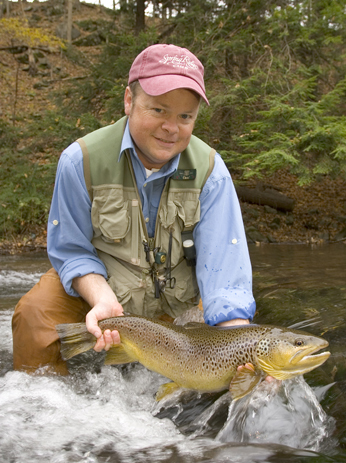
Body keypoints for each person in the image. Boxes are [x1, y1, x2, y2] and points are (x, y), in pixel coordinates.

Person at [12, 43, 256, 374]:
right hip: (100, 290)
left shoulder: (211, 172)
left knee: (234, 355)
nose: (172, 127)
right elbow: (70, 251)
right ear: (129, 100)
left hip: (175, 305)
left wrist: (241, 346)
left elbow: (225, 276)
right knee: (34, 314)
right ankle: (45, 407)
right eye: (159, 110)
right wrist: (100, 298)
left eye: (185, 116)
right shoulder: (80, 161)